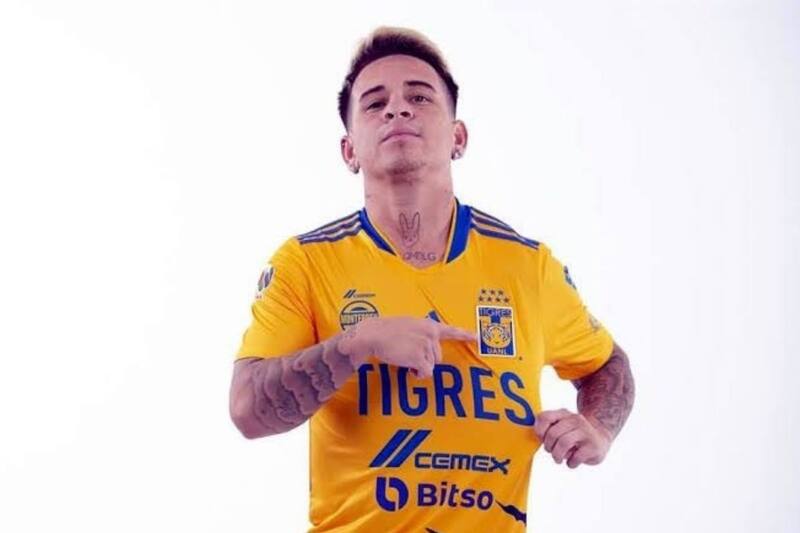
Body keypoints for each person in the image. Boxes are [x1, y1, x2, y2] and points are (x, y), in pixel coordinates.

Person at [229, 26, 635, 532]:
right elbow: (247, 409)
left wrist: (598, 427)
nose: (397, 110)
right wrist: (358, 343)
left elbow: (605, 363)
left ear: (458, 137)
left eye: (419, 97)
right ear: (349, 150)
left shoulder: (528, 266)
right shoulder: (306, 263)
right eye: (375, 103)